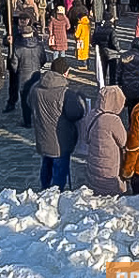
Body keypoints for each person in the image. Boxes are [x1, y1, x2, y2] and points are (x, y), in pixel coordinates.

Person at [29, 58, 85, 191]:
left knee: (46, 165)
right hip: (61, 141)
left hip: (43, 137)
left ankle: (44, 191)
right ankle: (56, 195)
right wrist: (80, 100)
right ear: (65, 73)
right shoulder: (66, 93)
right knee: (60, 171)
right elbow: (76, 114)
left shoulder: (36, 87)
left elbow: (29, 103)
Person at [81, 86, 128, 195]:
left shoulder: (92, 114)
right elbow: (123, 141)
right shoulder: (112, 120)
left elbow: (86, 137)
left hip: (93, 164)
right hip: (110, 166)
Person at [8, 21, 48, 127]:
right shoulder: (39, 46)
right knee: (36, 98)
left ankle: (27, 121)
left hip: (23, 76)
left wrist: (17, 70)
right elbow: (44, 59)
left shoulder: (18, 48)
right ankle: (37, 118)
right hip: (36, 74)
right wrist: (38, 66)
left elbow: (14, 64)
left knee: (25, 100)